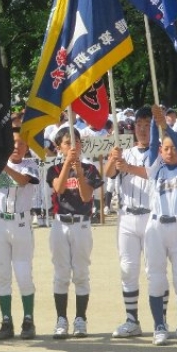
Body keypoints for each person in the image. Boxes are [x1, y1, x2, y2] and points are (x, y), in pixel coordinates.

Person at [144, 105, 177, 346]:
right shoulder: (154, 169)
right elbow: (152, 144)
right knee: (156, 279)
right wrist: (157, 124)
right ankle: (159, 325)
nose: (170, 152)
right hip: (155, 228)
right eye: (166, 149)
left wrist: (166, 126)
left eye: (174, 148)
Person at [47, 126, 103, 339]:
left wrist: (78, 170)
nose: (73, 146)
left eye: (76, 142)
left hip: (81, 224)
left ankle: (80, 319)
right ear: (59, 147)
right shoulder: (54, 169)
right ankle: (61, 319)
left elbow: (87, 196)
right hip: (60, 224)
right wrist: (67, 165)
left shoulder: (89, 169)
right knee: (61, 274)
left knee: (81, 273)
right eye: (67, 143)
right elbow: (59, 188)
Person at [105, 106, 152, 339]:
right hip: (127, 216)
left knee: (154, 271)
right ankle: (132, 320)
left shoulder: (161, 151)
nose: (142, 130)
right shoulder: (126, 152)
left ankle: (160, 321)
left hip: (152, 217)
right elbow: (109, 174)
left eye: (147, 126)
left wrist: (129, 167)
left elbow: (153, 173)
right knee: (128, 269)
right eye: (139, 125)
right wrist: (114, 158)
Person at [0, 129, 40, 340]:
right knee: (2, 274)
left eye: (21, 143)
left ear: (27, 146)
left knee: (23, 273)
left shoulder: (31, 165)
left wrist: (3, 166)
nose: (17, 146)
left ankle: (28, 320)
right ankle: (6, 321)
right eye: (13, 143)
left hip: (21, 223)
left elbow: (22, 181)